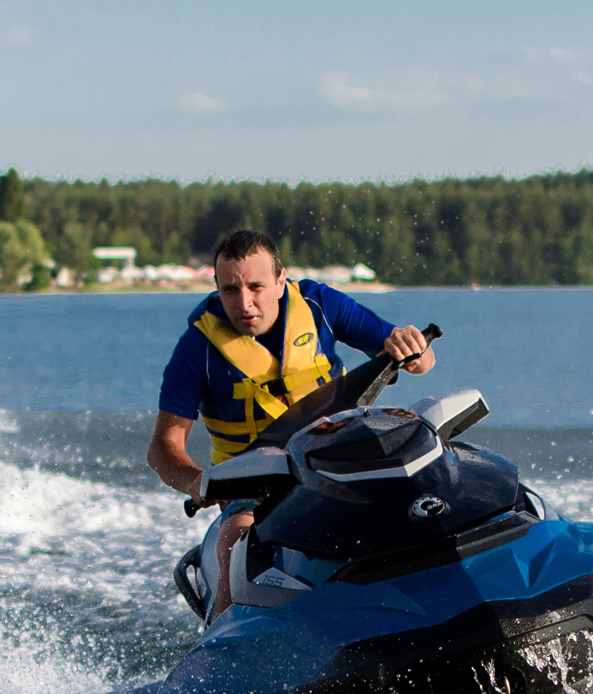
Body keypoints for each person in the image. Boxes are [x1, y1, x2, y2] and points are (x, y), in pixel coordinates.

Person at [148, 230, 433, 619]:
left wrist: (415, 351)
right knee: (237, 533)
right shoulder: (198, 349)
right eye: (230, 289)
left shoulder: (318, 304)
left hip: (340, 454)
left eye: (256, 287)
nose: (244, 302)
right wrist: (198, 482)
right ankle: (226, 638)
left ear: (281, 281)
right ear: (217, 287)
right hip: (256, 481)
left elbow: (417, 359)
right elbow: (163, 448)